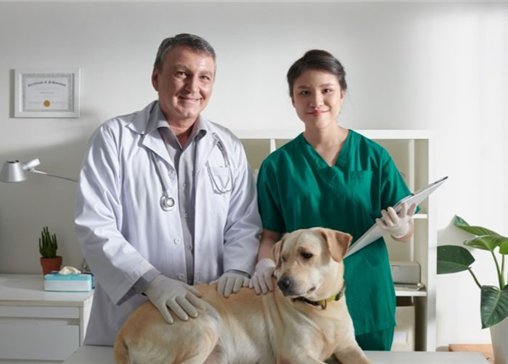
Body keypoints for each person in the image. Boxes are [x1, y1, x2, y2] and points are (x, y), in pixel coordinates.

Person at [75, 33, 262, 346]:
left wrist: (238, 270)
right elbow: (95, 226)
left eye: (204, 77)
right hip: (136, 315)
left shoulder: (226, 144)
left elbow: (244, 222)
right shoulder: (114, 138)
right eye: (182, 73)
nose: (193, 87)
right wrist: (151, 282)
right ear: (155, 76)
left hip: (211, 316)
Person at [249, 50, 416, 351]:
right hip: (303, 307)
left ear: (342, 93)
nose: (316, 101)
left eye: (326, 90)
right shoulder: (277, 166)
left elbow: (406, 233)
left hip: (367, 296)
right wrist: (264, 264)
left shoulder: (374, 157)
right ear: (293, 99)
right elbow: (271, 234)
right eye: (304, 92)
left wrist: (401, 228)